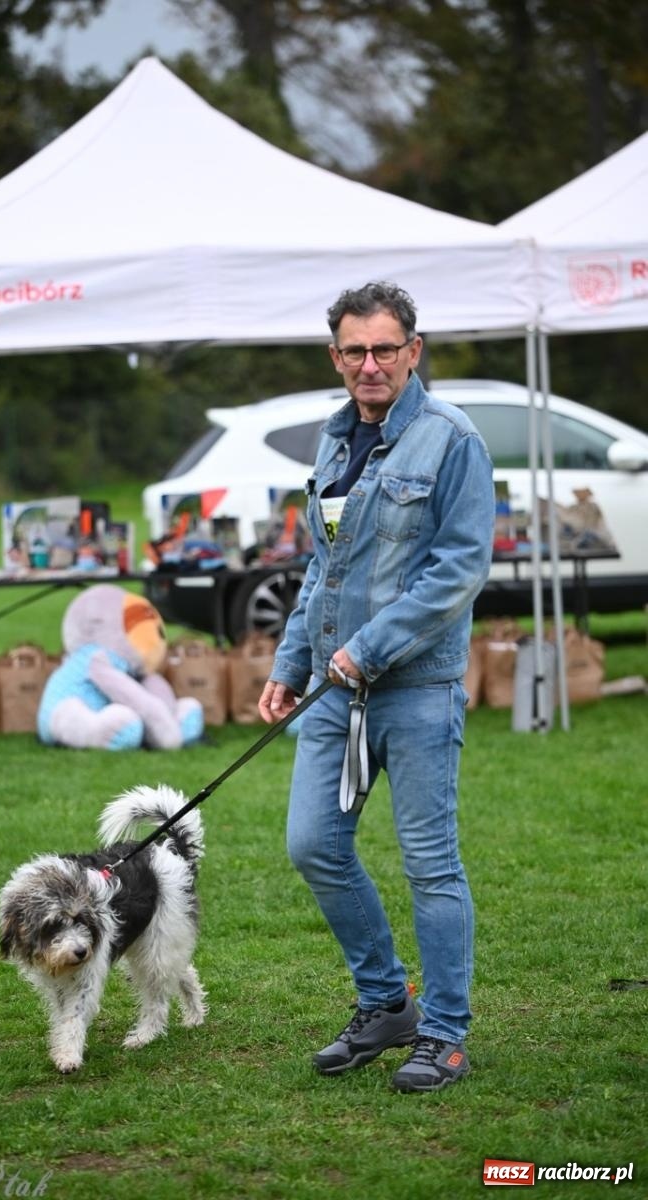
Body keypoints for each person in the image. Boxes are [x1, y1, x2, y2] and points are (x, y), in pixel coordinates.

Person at [258, 281, 494, 1093]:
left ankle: (444, 1034)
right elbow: (320, 572)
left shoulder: (451, 441)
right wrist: (291, 664)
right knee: (312, 845)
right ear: (336, 358)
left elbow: (457, 572)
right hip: (333, 692)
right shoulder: (329, 442)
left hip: (416, 689)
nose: (369, 364)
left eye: (383, 348)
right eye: (354, 351)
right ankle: (385, 1001)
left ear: (412, 351)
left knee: (431, 864)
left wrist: (369, 646)